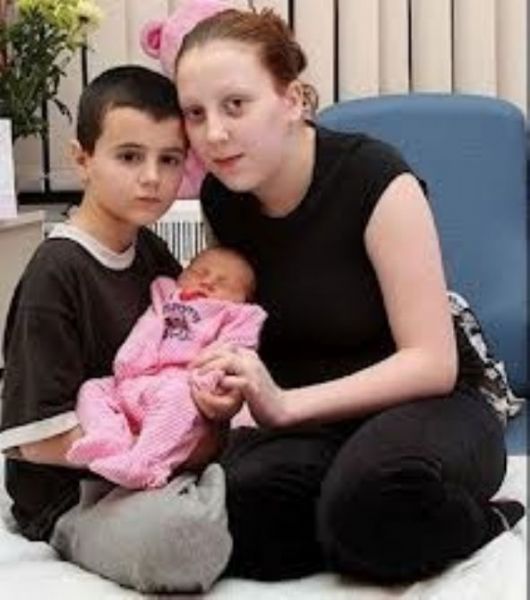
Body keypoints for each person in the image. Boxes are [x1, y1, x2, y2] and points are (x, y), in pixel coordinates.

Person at [173, 7, 525, 583]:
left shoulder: (377, 179)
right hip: (317, 421)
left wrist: (285, 406)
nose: (213, 134)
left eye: (235, 105)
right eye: (195, 113)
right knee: (233, 514)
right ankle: (353, 524)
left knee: (371, 500)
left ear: (292, 100)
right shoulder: (222, 198)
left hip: (432, 404)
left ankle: (482, 521)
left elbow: (432, 363)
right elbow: (241, 322)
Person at [0, 65, 233, 593]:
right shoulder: (56, 272)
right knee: (177, 542)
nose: (152, 177)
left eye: (169, 159)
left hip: (161, 465)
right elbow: (35, 439)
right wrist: (171, 446)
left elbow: (188, 345)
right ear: (82, 159)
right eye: (129, 157)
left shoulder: (150, 251)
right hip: (74, 492)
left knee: (282, 481)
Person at [67, 246, 266, 489]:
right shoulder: (166, 297)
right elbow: (146, 328)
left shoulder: (236, 316)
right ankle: (108, 438)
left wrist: (207, 381)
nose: (207, 282)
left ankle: (145, 463)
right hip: (137, 380)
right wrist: (129, 361)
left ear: (242, 299)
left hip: (184, 386)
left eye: (223, 283)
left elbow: (232, 350)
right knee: (93, 388)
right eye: (199, 272)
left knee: (176, 397)